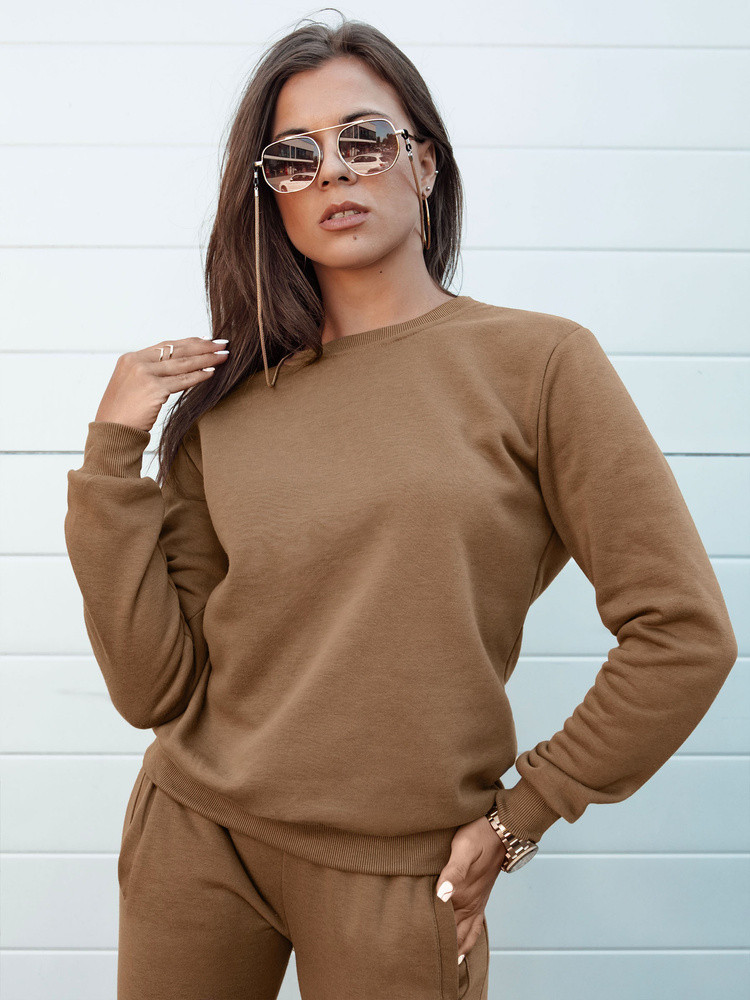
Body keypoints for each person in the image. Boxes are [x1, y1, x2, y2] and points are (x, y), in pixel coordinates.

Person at [63, 11, 738, 1000]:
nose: (334, 170)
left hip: (403, 870)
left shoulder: (541, 363)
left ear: (425, 163)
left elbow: (685, 634)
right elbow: (153, 690)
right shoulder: (232, 402)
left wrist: (523, 814)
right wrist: (113, 452)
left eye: (365, 138)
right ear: (272, 198)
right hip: (195, 836)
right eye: (295, 157)